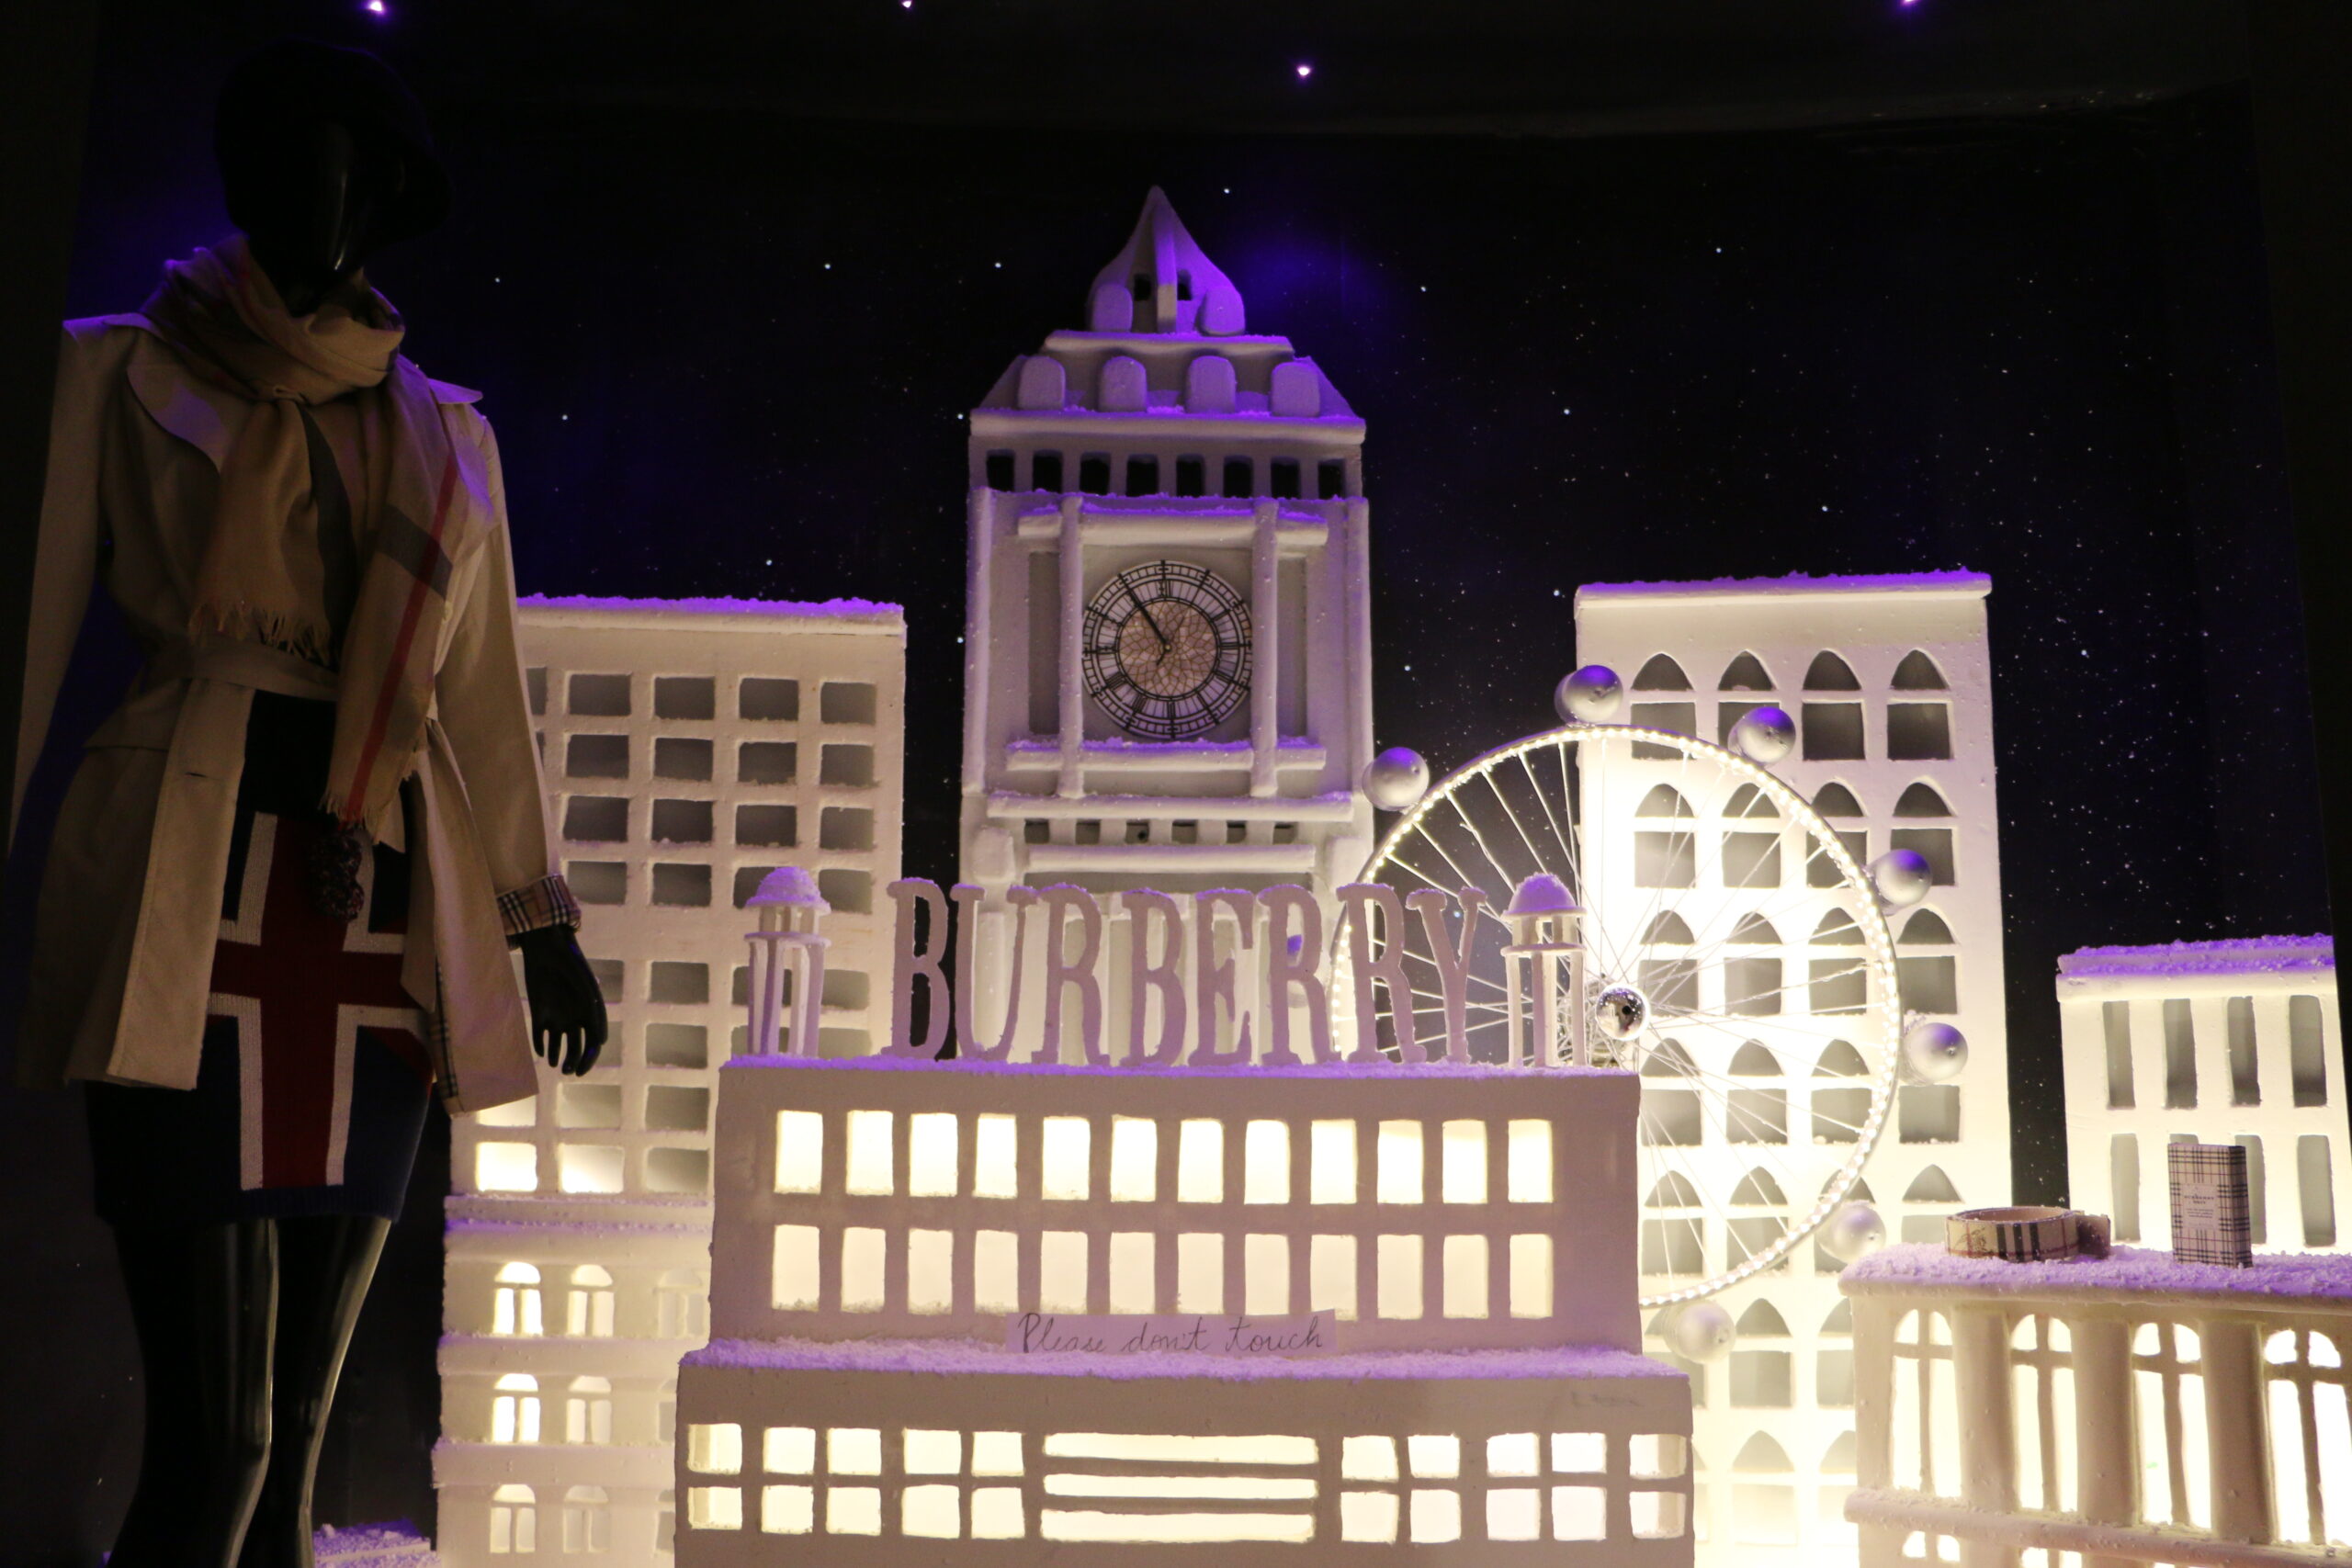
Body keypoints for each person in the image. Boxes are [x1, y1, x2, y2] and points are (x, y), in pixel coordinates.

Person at [15, 39, 605, 1567]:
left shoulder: (449, 434)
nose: (308, 192)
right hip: (183, 884)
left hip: (372, 918)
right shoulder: (110, 372)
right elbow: (26, 641)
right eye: (278, 157)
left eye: (342, 164)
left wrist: (539, 922)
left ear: (390, 193)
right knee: (217, 1447)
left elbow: (482, 699)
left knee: (291, 1452)